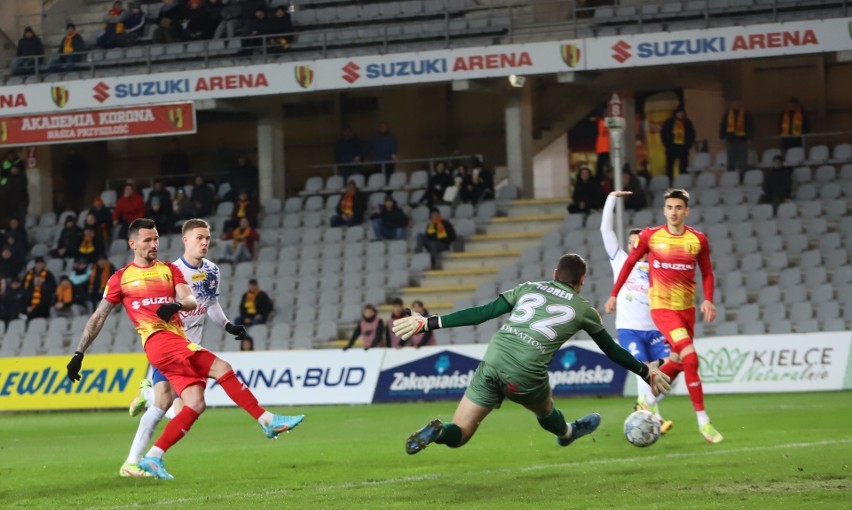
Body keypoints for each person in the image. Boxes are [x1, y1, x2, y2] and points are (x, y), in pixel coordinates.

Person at [65, 218, 304, 480]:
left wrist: (177, 306)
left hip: (178, 341)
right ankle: (267, 420)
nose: (154, 244)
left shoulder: (169, 270)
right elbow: (99, 316)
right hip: (159, 342)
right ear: (132, 244)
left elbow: (190, 298)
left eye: (156, 238)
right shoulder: (121, 278)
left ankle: (153, 457)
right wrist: (79, 353)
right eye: (147, 240)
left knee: (195, 403)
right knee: (222, 369)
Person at [392, 253, 671, 455]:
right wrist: (646, 371)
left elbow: (482, 314)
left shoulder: (528, 288)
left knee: (461, 432)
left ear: (554, 274)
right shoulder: (584, 309)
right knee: (545, 406)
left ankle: (439, 433)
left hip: (494, 358)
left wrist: (428, 322)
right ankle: (567, 433)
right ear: (581, 281)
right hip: (525, 372)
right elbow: (611, 349)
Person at [121, 218, 250, 477]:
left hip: (193, 346)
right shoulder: (170, 271)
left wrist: (226, 326)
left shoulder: (212, 270)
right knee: (174, 406)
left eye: (207, 238)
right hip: (170, 345)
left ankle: (135, 455)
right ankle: (135, 460)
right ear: (186, 240)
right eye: (199, 238)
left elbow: (210, 303)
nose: (204, 243)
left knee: (176, 409)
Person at [605, 188, 722, 444]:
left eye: (678, 208)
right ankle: (703, 421)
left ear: (686, 211)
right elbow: (628, 264)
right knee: (691, 359)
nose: (673, 212)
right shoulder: (651, 236)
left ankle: (646, 400)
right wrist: (614, 294)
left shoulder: (697, 240)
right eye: (669, 208)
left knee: (679, 362)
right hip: (662, 309)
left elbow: (708, 272)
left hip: (686, 310)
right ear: (664, 210)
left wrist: (708, 299)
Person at [600, 191, 672, 432]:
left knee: (670, 369)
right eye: (630, 242)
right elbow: (605, 230)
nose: (633, 245)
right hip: (630, 329)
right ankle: (651, 416)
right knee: (646, 370)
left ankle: (648, 408)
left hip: (655, 328)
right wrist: (611, 198)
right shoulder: (619, 259)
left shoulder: (656, 266)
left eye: (637, 242)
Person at [718, 100, 755, 177]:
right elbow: (723, 126)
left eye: (737, 103)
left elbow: (751, 126)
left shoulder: (746, 114)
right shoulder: (728, 114)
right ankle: (731, 178)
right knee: (730, 161)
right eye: (734, 103)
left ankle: (742, 178)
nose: (736, 105)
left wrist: (750, 138)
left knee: (742, 161)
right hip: (730, 140)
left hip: (742, 141)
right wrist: (722, 137)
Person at [661, 107, 696, 181]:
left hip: (683, 148)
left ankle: (683, 181)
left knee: (683, 166)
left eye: (682, 113)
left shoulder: (687, 123)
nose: (681, 115)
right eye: (679, 113)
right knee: (670, 167)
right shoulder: (669, 122)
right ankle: (669, 182)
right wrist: (668, 144)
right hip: (671, 148)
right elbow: (664, 134)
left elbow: (691, 135)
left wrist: (687, 145)